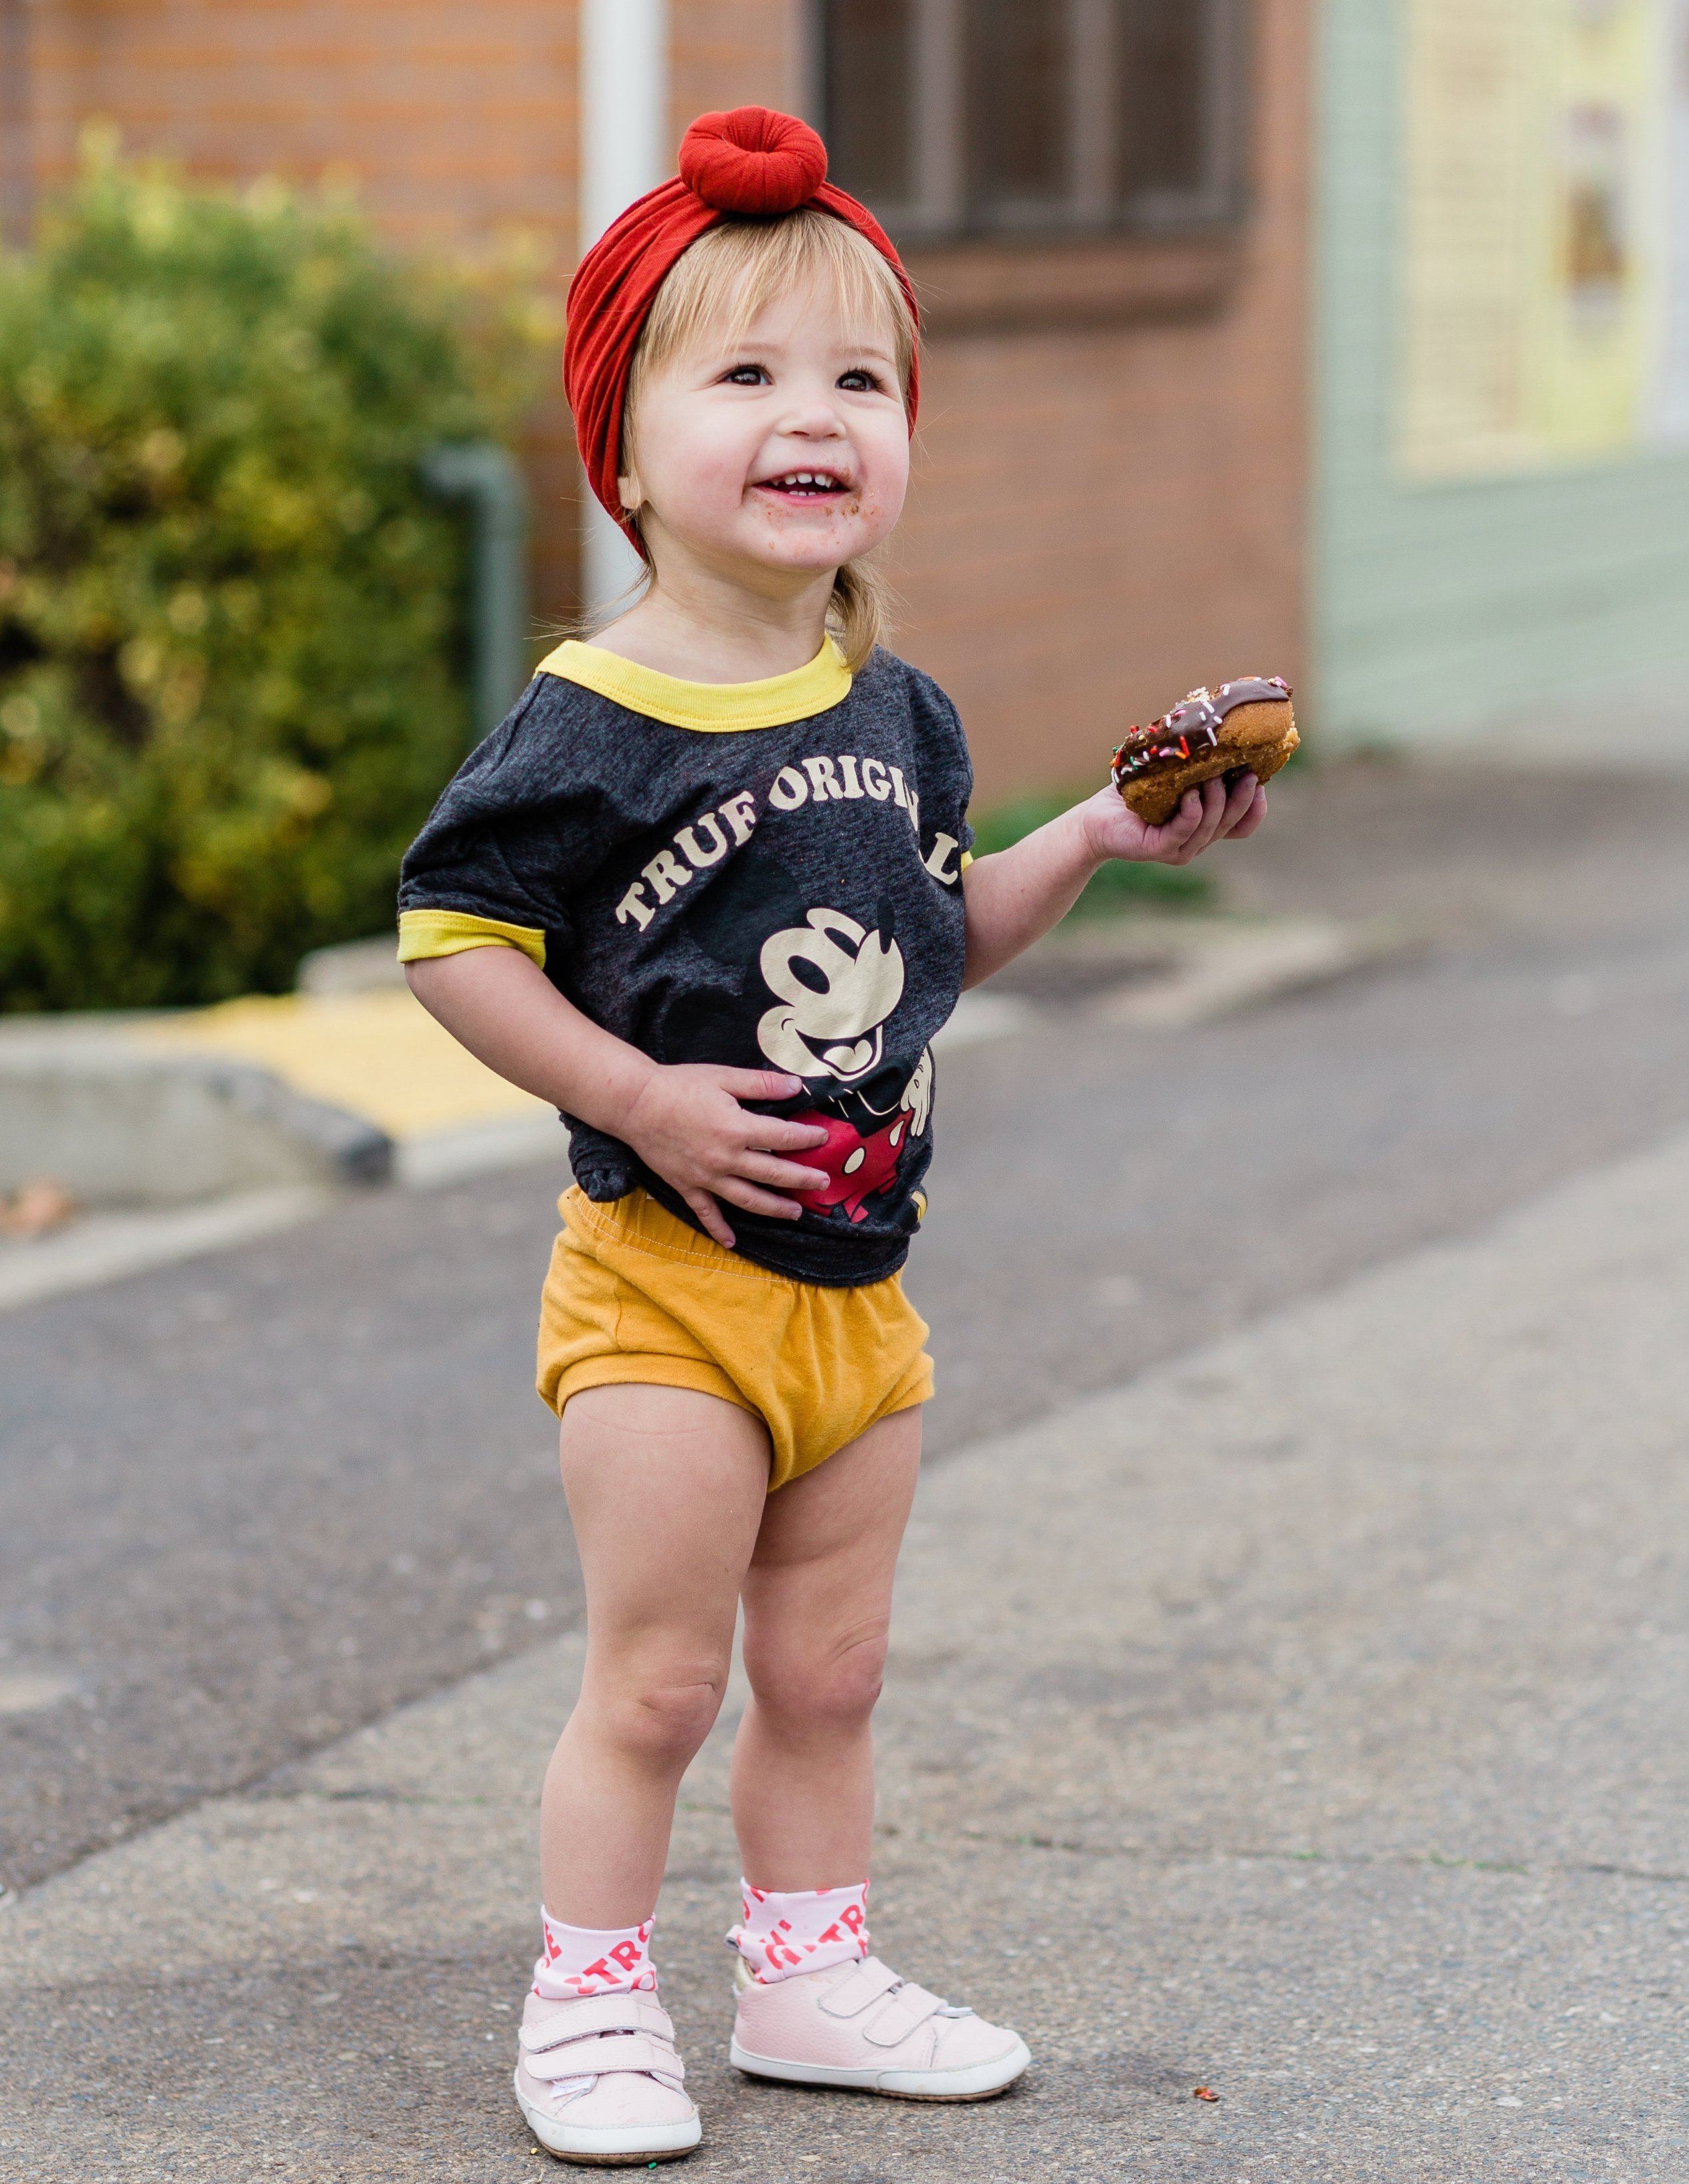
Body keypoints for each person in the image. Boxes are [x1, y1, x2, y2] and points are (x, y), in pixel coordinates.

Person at [399, 105, 1267, 2167]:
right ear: (625, 448)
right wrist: (629, 1093)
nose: (818, 417)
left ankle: (806, 1975)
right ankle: (594, 2004)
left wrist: (1097, 834)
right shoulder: (584, 723)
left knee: (835, 1666)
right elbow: (448, 945)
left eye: (860, 380)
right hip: (666, 1292)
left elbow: (936, 940)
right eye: (752, 374)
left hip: (861, 1295)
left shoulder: (902, 709)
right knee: (661, 1685)